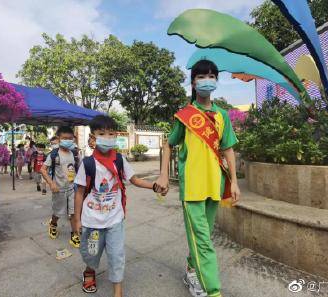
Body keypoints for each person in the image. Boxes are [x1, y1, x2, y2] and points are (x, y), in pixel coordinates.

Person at [155, 60, 241, 297]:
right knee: (203, 241)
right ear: (193, 82)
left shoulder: (222, 115)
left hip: (215, 185)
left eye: (213, 76)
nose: (208, 80)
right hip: (192, 187)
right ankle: (213, 291)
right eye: (203, 76)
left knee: (202, 235)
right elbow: (168, 144)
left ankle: (192, 270)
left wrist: (233, 180)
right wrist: (163, 174)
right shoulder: (185, 115)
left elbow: (228, 150)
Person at [73, 115, 160, 297]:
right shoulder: (87, 164)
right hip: (92, 220)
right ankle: (89, 270)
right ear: (93, 138)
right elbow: (80, 192)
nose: (107, 137)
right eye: (102, 133)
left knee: (116, 256)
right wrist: (77, 220)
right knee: (92, 253)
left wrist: (153, 186)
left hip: (114, 219)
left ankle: (117, 292)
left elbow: (134, 180)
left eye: (111, 133)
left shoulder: (119, 160)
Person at [41, 126, 81, 248]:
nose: (68, 140)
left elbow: (76, 169)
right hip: (58, 190)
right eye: (64, 138)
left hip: (72, 189)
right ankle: (53, 224)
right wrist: (51, 183)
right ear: (58, 139)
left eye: (70, 138)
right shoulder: (53, 154)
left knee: (74, 213)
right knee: (58, 212)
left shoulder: (74, 153)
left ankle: (74, 234)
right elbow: (43, 170)